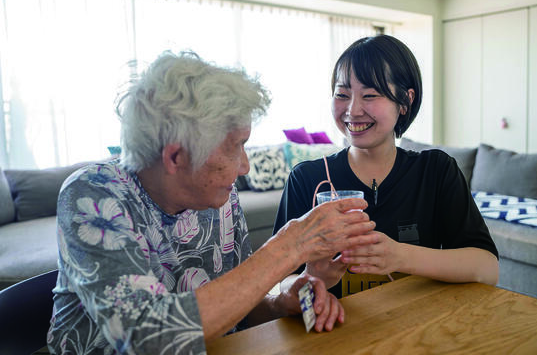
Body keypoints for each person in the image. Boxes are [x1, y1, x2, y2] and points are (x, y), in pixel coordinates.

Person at [47, 51, 379, 354]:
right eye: (236, 146)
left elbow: (238, 303)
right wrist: (290, 245)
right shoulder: (94, 195)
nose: (245, 166)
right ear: (175, 156)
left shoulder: (219, 196)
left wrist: (279, 303)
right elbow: (149, 338)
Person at [273, 35, 499, 298]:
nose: (353, 110)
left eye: (369, 95)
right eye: (342, 95)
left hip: (420, 328)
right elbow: (279, 280)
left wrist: (401, 256)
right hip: (335, 335)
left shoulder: (436, 171)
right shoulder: (307, 179)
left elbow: (487, 268)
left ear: (405, 101)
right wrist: (309, 281)